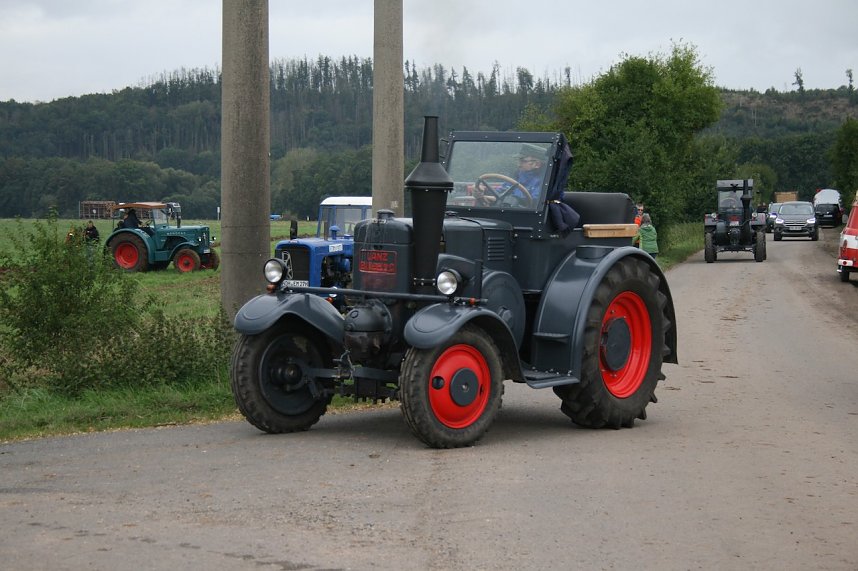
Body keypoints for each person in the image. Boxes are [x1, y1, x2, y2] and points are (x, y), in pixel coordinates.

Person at [474, 143, 547, 206]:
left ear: (537, 164)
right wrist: (483, 191)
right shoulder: (517, 176)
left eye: (523, 161)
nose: (518, 165)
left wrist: (501, 199)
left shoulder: (544, 181)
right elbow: (501, 191)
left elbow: (535, 202)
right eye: (518, 160)